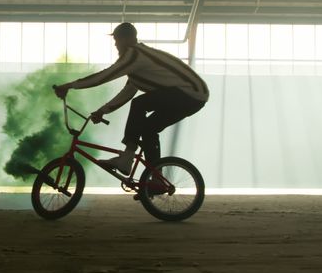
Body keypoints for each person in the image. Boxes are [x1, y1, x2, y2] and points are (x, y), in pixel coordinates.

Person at [52, 22, 208, 174]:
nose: (115, 46)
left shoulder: (134, 54)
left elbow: (103, 76)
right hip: (194, 98)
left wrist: (68, 86)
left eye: (116, 41)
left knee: (139, 103)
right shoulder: (138, 64)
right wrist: (102, 111)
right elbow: (127, 92)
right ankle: (156, 178)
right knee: (148, 130)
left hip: (189, 92)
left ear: (125, 40)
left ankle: (127, 157)